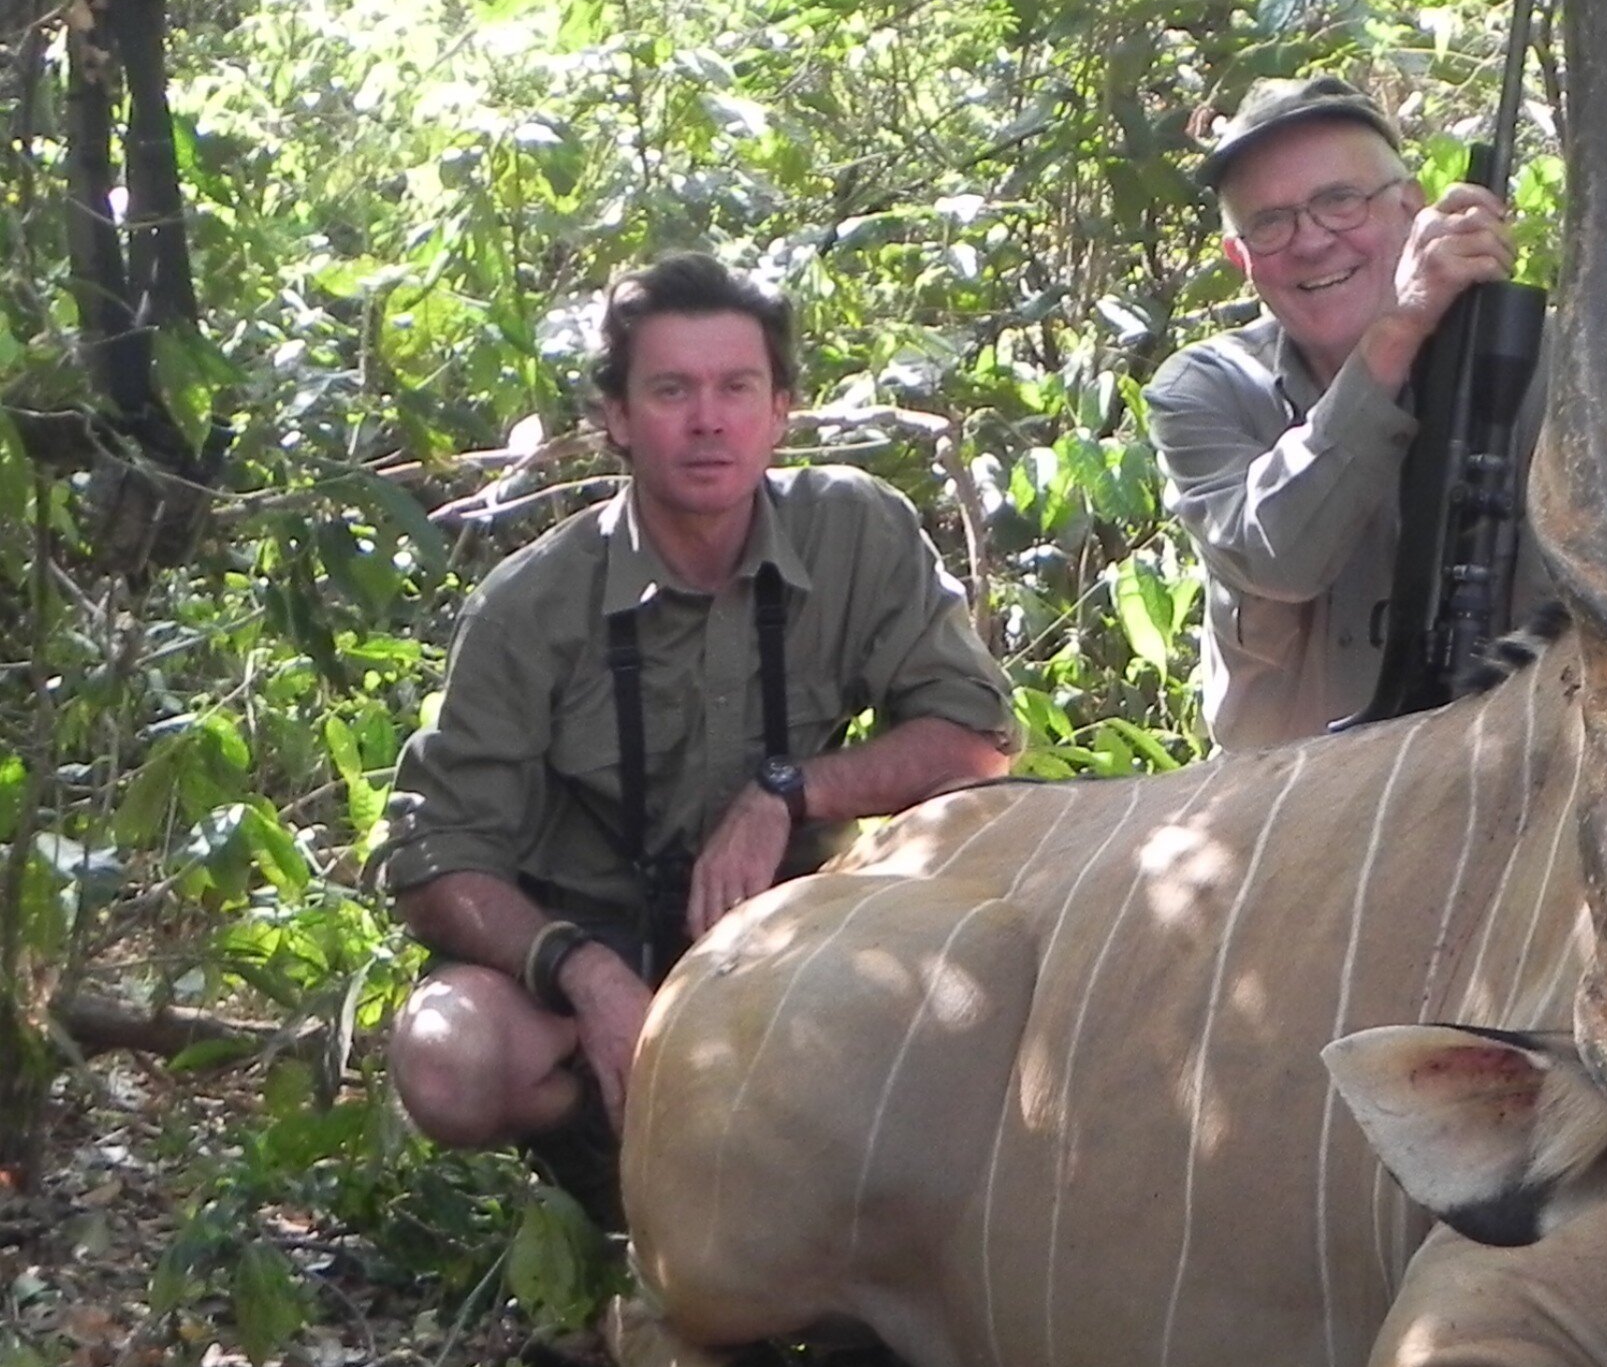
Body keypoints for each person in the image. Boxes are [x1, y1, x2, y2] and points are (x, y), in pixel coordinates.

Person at [375, 252, 1016, 1207]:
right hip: (591, 973)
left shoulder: (856, 532)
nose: (708, 419)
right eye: (672, 390)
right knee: (449, 1061)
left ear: (780, 410)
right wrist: (581, 974)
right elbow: (432, 857)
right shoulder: (533, 602)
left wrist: (789, 793)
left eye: (736, 388)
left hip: (797, 956)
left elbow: (977, 739)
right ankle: (602, 1152)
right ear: (619, 419)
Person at [1141, 74, 1517, 749]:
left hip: (1516, 772)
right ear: (1240, 257)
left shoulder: (1531, 364)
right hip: (1281, 808)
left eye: (1340, 201)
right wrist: (1398, 331)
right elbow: (1280, 558)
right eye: (1271, 222)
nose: (1311, 241)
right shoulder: (1204, 388)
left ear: (1412, 208)